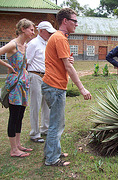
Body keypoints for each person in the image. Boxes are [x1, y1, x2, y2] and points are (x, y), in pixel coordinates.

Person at [42, 8, 92, 166]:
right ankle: (51, 159)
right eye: (74, 21)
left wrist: (67, 62)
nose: (77, 24)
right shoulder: (60, 38)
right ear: (65, 21)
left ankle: (52, 152)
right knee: (56, 124)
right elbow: (68, 68)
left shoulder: (58, 37)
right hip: (55, 86)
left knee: (56, 122)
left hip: (52, 84)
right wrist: (82, 89)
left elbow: (64, 63)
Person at [0, 18, 35, 157]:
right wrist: (7, 65)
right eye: (31, 29)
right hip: (14, 85)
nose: (33, 32)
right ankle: (13, 149)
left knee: (20, 115)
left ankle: (18, 144)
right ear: (23, 29)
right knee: (14, 116)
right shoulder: (12, 45)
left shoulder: (25, 46)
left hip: (23, 84)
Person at [26, 21, 56, 143]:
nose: (49, 34)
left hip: (46, 77)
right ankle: (35, 133)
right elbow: (27, 62)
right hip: (35, 76)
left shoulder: (47, 44)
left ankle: (45, 129)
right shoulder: (33, 44)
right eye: (48, 32)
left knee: (46, 104)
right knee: (35, 104)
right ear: (41, 31)